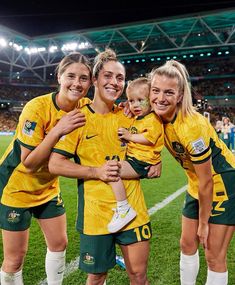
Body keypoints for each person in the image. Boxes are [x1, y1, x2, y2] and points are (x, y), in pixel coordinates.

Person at [48, 49, 152, 285]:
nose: (114, 83)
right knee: (96, 276)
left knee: (138, 275)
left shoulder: (131, 116)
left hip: (133, 211)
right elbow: (55, 163)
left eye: (119, 78)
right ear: (94, 79)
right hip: (95, 215)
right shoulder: (78, 118)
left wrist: (154, 162)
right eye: (108, 76)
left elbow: (153, 142)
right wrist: (95, 171)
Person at [0, 52, 94, 285]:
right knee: (15, 259)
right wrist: (58, 129)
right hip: (16, 187)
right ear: (59, 77)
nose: (77, 83)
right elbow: (29, 163)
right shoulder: (37, 107)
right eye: (71, 76)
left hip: (48, 188)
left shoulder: (86, 106)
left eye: (84, 78)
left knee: (59, 244)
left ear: (91, 83)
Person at [149, 59, 235, 285]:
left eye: (168, 92)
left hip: (222, 183)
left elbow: (207, 181)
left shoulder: (191, 126)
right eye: (155, 90)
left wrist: (204, 223)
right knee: (187, 244)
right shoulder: (156, 117)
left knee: (213, 254)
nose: (160, 98)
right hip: (196, 183)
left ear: (179, 96)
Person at [107, 77, 164, 233]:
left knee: (111, 171)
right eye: (131, 101)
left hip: (141, 163)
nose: (135, 105)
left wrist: (129, 136)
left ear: (151, 100)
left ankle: (124, 208)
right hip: (135, 159)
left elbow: (149, 138)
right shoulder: (140, 118)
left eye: (140, 100)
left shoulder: (153, 119)